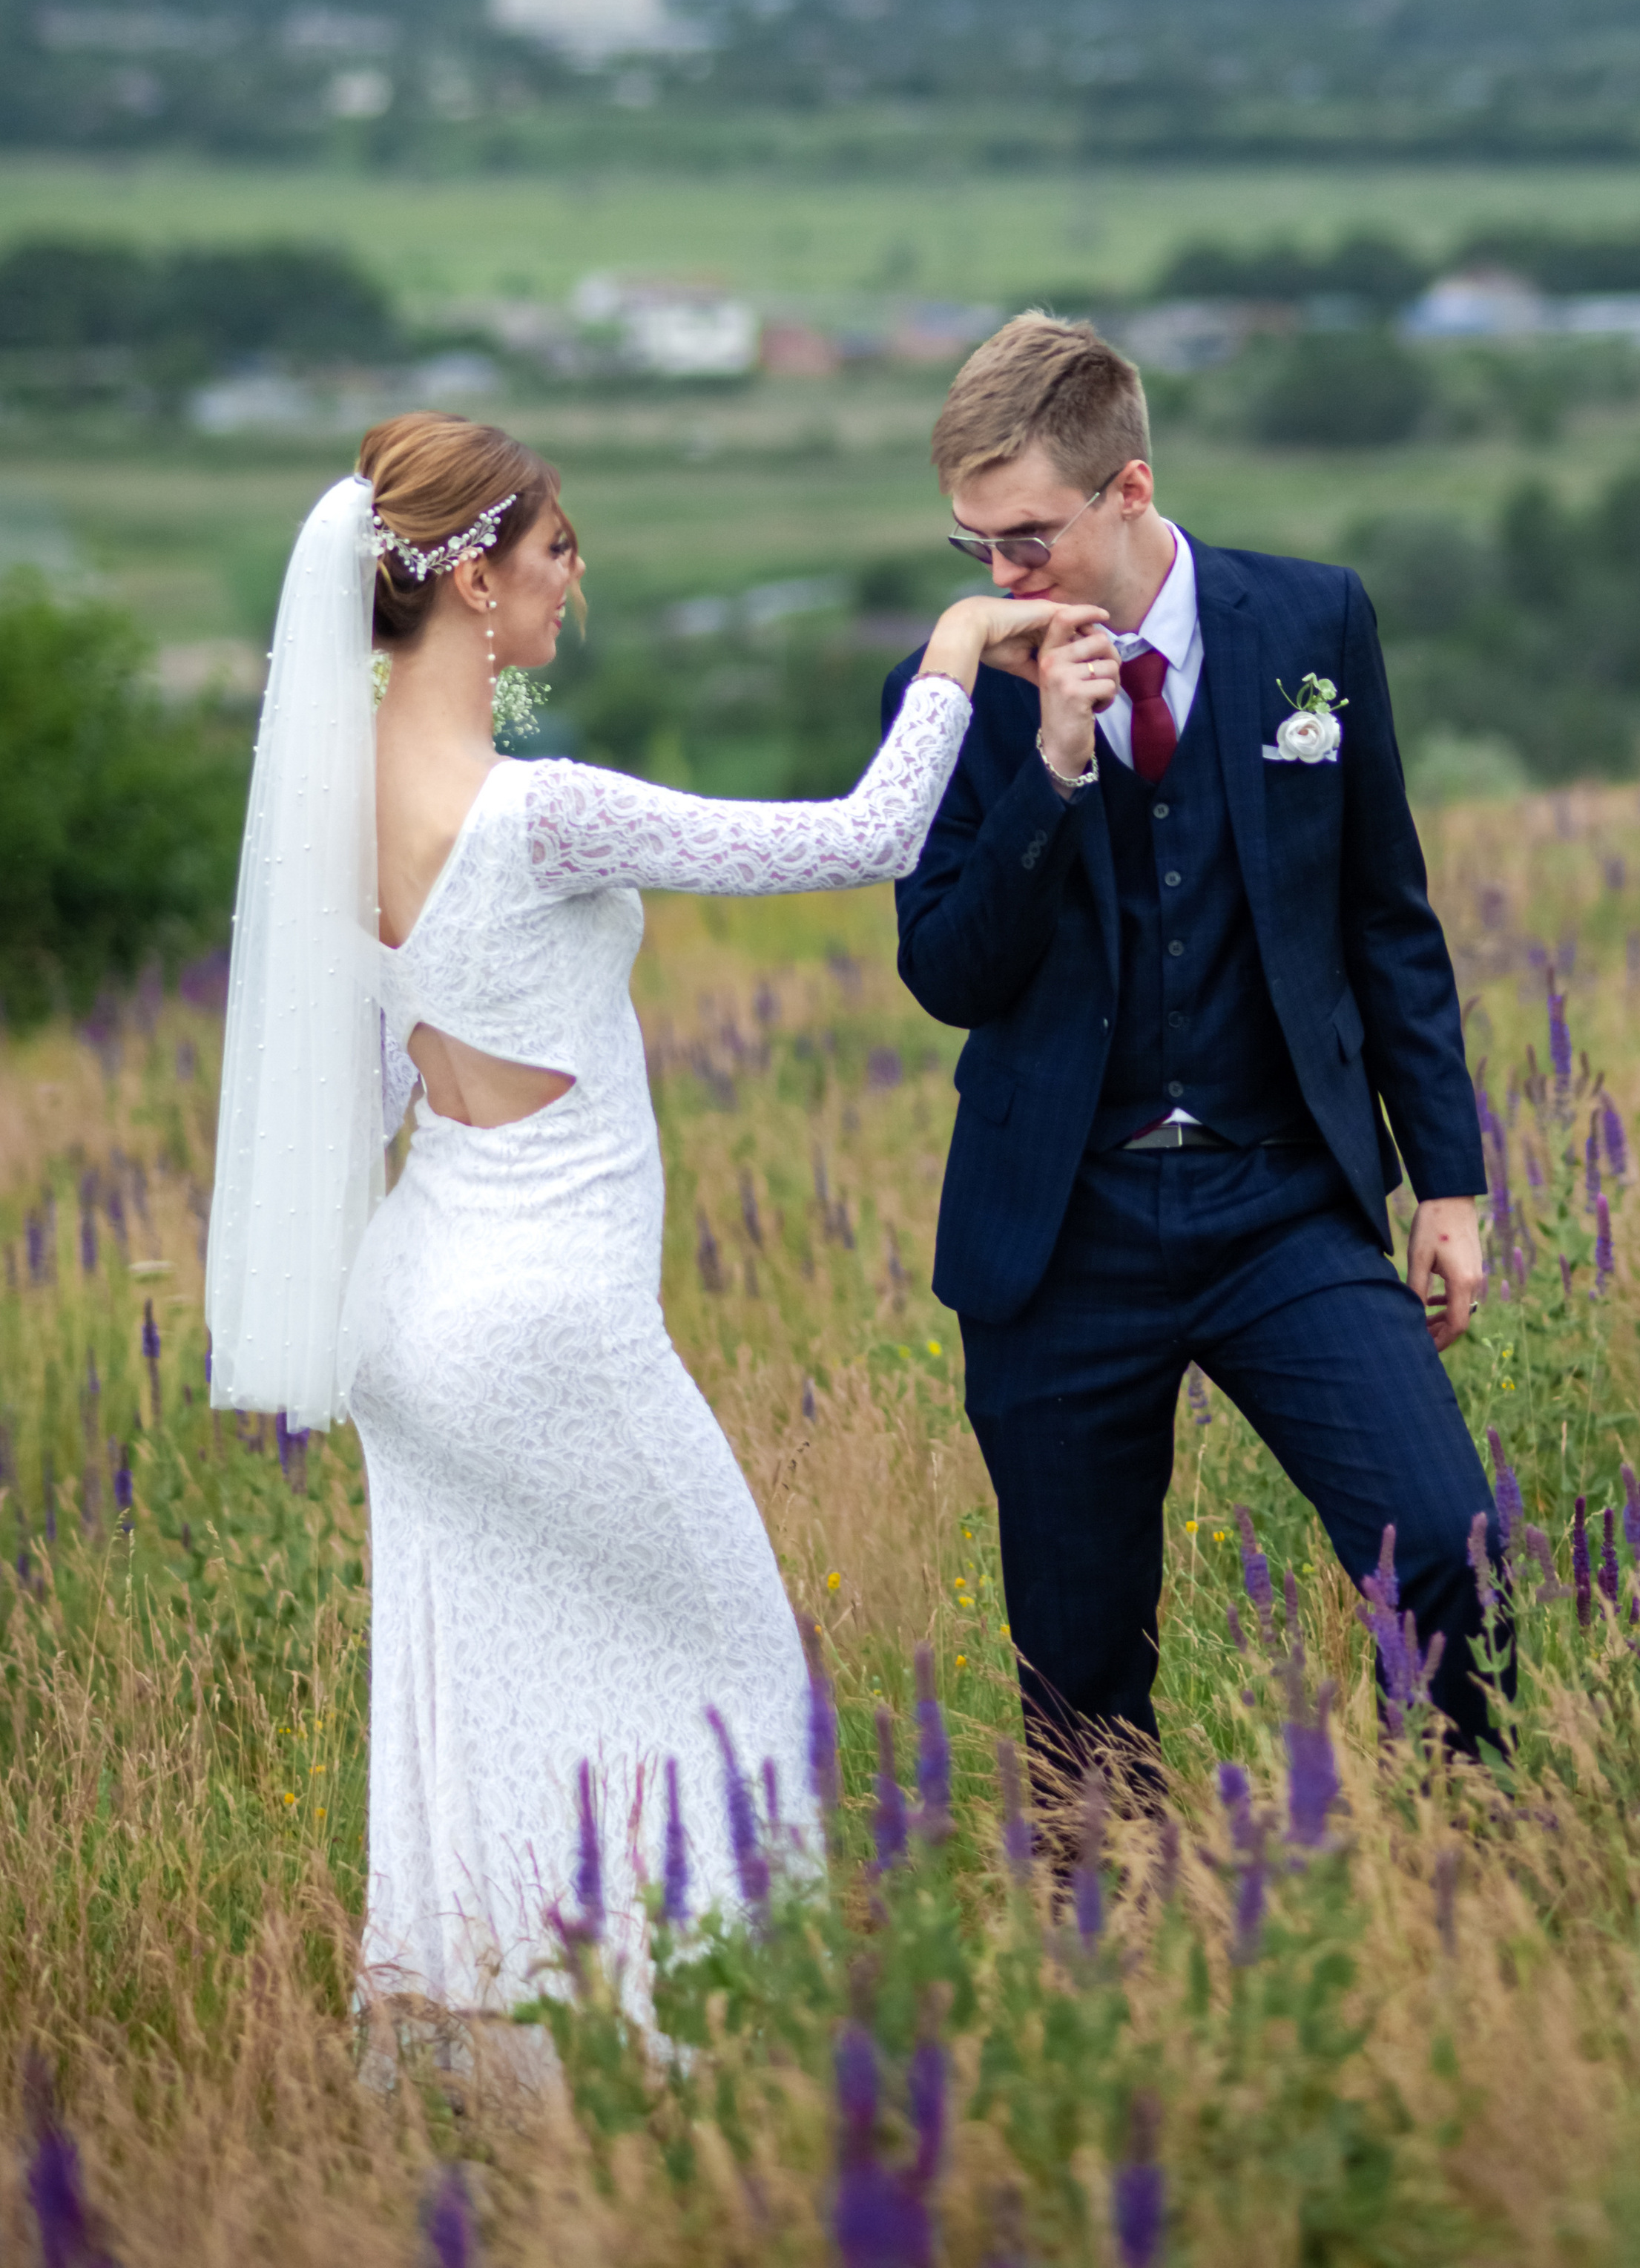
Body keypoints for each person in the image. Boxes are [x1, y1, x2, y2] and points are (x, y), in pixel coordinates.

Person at [205, 412, 1066, 2018]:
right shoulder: (539, 813)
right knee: (739, 1674)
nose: (569, 575)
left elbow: (380, 1072)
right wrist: (957, 640)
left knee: (499, 1707)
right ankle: (719, 2045)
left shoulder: (334, 810)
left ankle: (516, 2056)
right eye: (550, 549)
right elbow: (864, 837)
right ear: (467, 581)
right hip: (545, 1317)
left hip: (410, 1313)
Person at [880, 314, 1501, 1793]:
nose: (997, 579)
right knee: (1080, 1678)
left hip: (1281, 1199)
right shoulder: (956, 683)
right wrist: (1048, 765)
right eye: (970, 546)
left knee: (1445, 1549)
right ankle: (1117, 1962)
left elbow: (1383, 918)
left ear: (1129, 491)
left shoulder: (1309, 626)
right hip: (1060, 1229)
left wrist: (1449, 1185)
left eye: (1025, 538)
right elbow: (944, 973)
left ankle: (1477, 1888)